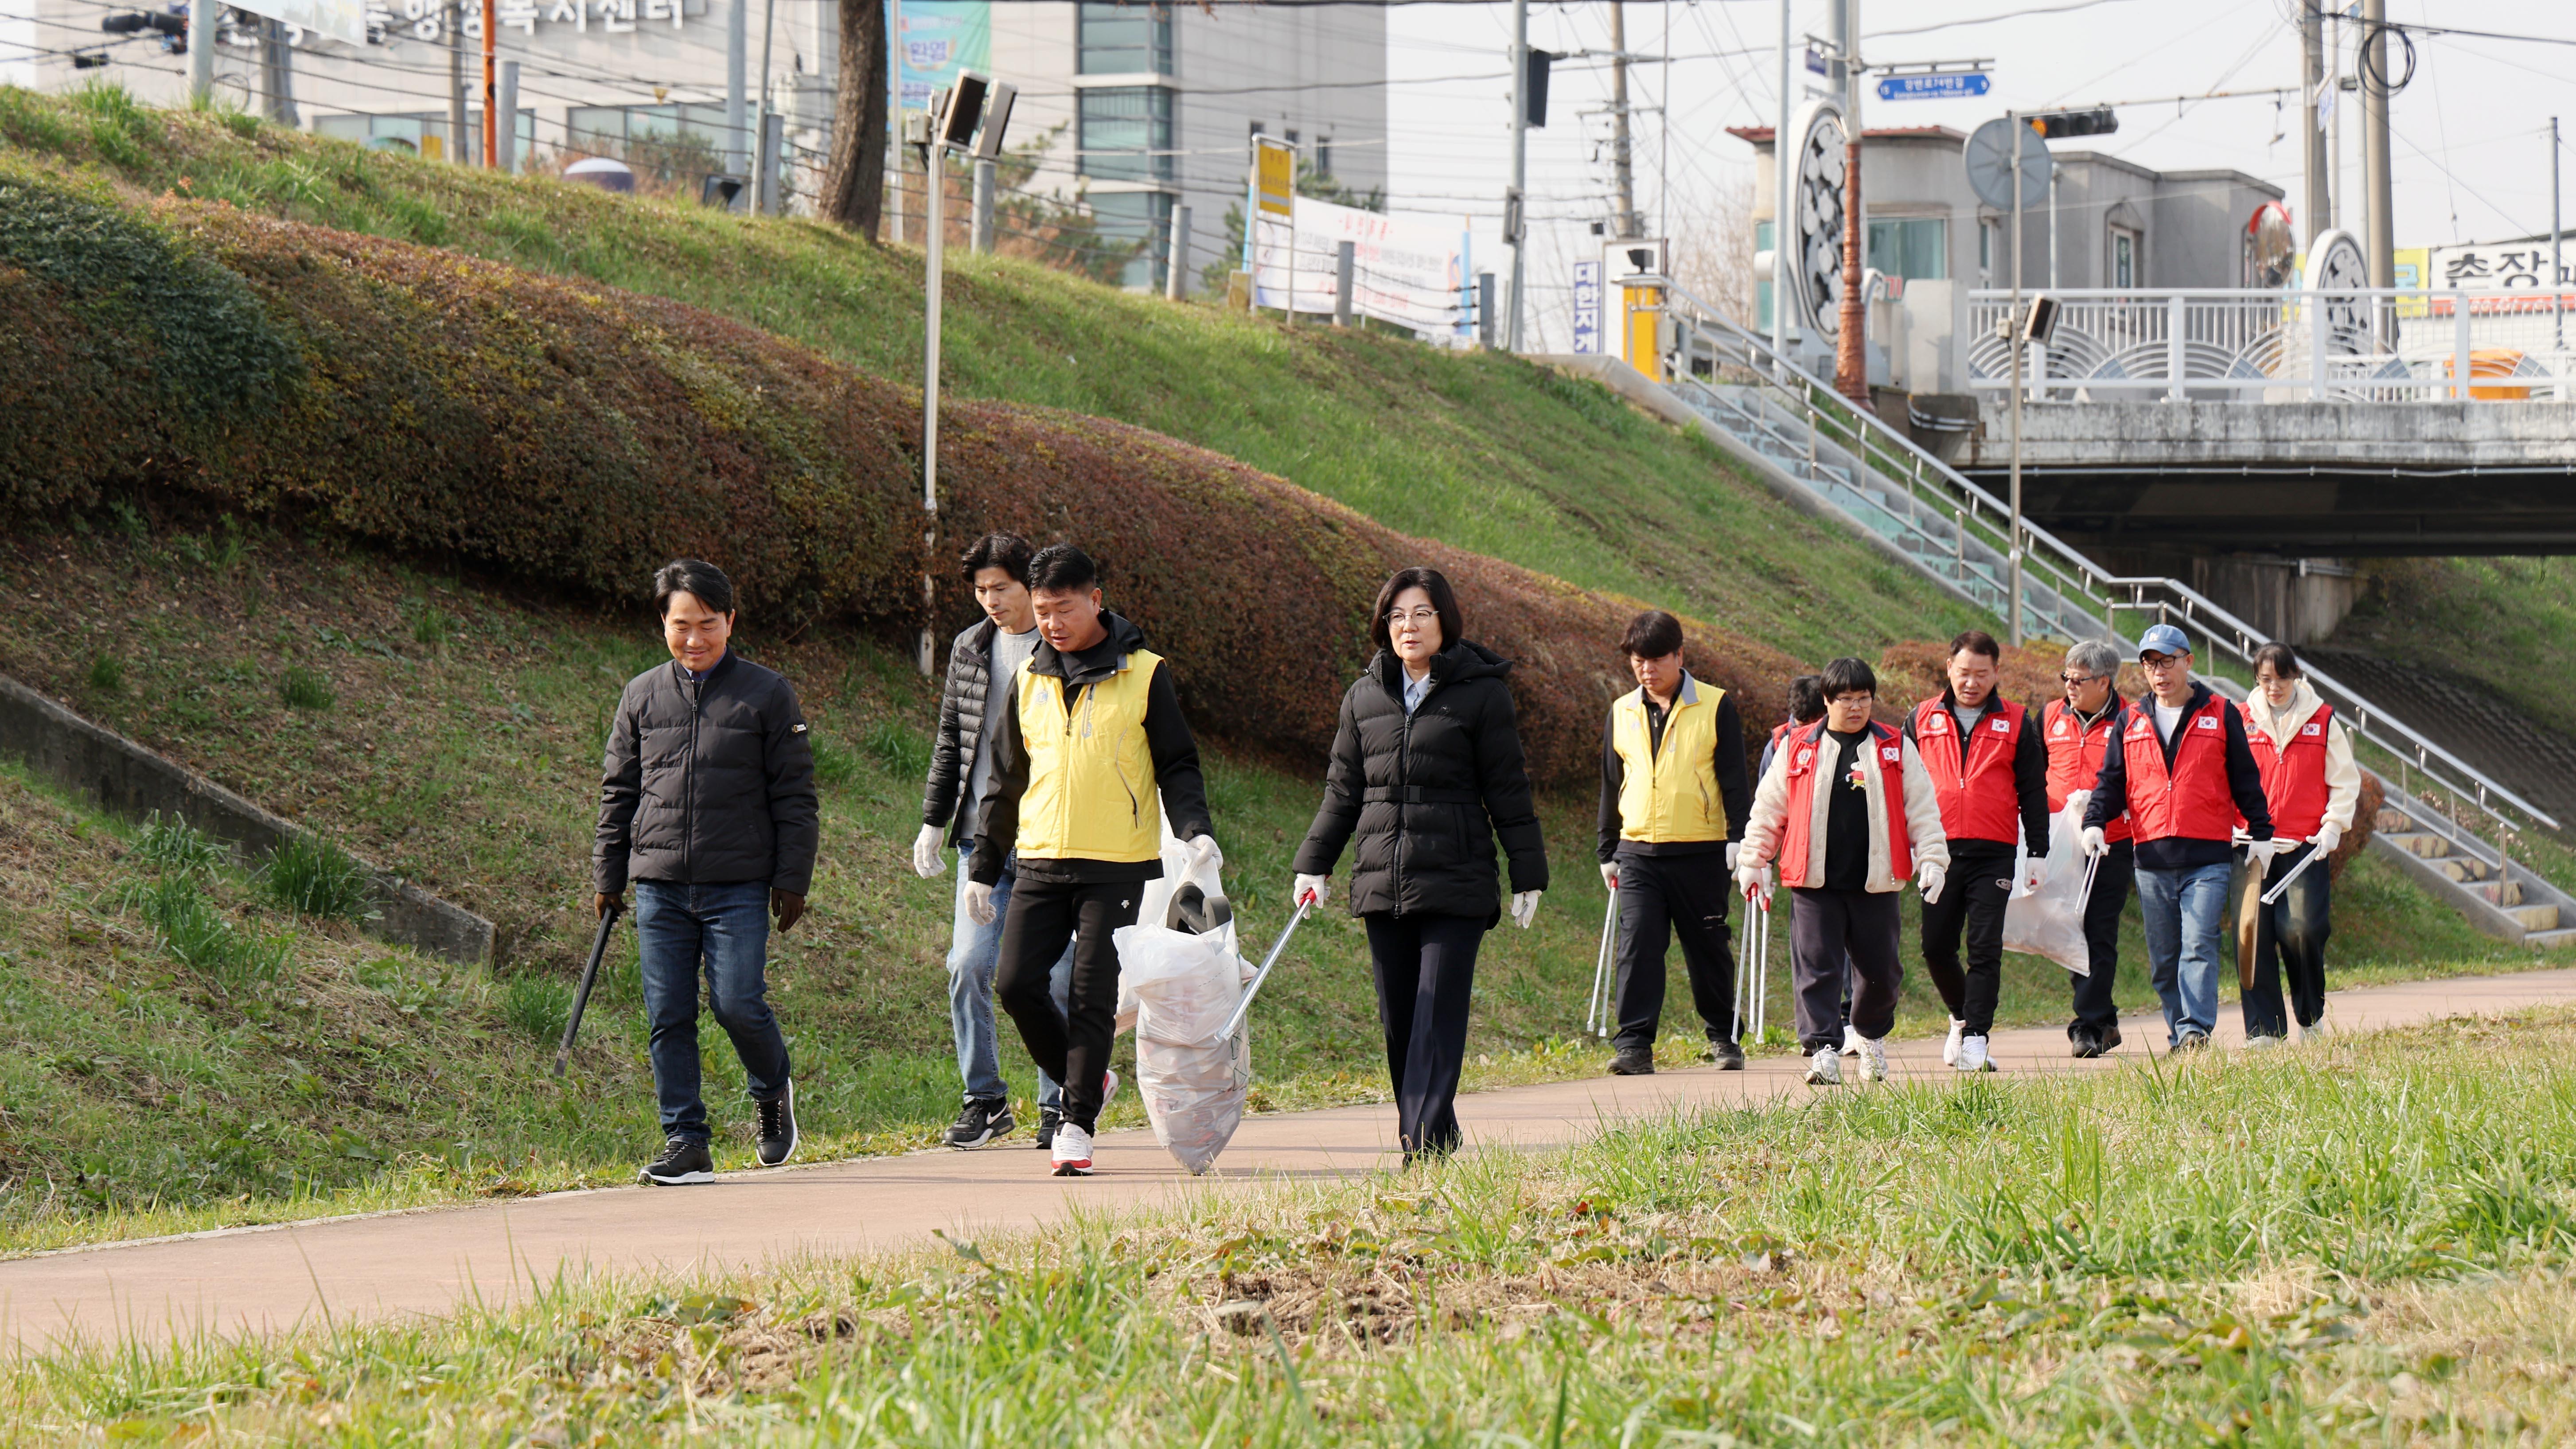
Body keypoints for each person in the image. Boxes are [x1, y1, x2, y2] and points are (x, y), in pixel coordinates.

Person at [970, 544, 1216, 1177]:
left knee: (1089, 991)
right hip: (1041, 857)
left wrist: (1194, 829)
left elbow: (1177, 762)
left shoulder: (1144, 672)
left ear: (1096, 600)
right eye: (1044, 611)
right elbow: (1004, 778)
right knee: (1015, 983)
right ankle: (1088, 1078)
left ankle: (1075, 1120)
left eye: (1064, 608)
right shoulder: (1030, 678)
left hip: (1117, 862)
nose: (1052, 622)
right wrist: (982, 865)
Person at [1292, 566, 1547, 1163]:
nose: (1409, 627)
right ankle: (1436, 1128)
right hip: (1383, 877)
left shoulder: (1483, 693)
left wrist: (1527, 870)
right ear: (1384, 625)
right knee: (1400, 1021)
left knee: (1436, 1008)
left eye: (1422, 614)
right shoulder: (1363, 697)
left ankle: (1423, 1146)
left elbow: (1508, 789)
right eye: (1397, 616)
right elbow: (1342, 791)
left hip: (1457, 876)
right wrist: (1314, 864)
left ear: (1445, 621)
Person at [594, 559, 817, 1186]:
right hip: (660, 883)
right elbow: (619, 792)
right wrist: (608, 876)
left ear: (731, 622)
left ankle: (772, 1088)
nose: (695, 639)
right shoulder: (641, 695)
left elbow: (795, 795)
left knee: (737, 1002)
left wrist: (792, 876)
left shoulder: (767, 693)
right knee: (668, 1013)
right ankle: (686, 1140)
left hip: (738, 883)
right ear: (663, 623)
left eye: (709, 625)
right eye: (681, 625)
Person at [912, 534, 1076, 1151]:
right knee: (967, 964)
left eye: (1000, 589)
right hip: (981, 842)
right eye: (980, 590)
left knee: (1052, 977)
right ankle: (984, 1098)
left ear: (1029, 587)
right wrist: (935, 819)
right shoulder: (970, 646)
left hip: (1049, 840)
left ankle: (1058, 1102)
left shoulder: (1064, 644)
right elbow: (951, 738)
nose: (990, 601)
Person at [1735, 656, 1949, 1088]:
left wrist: (1931, 858)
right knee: (1817, 969)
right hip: (1814, 882)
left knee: (1881, 973)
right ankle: (1823, 1050)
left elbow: (1922, 809)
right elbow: (1769, 808)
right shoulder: (1797, 747)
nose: (1855, 708)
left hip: (1876, 881)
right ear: (1827, 701)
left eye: (1863, 699)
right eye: (1846, 700)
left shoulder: (1893, 746)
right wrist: (1753, 860)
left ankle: (1869, 1038)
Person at [2081, 623, 2278, 1053]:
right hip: (2150, 856)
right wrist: (2094, 822)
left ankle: (2194, 1030)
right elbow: (2111, 780)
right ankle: (2179, 1033)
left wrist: (2260, 831)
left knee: (2197, 945)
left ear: (2187, 662)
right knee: (2164, 960)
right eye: (2150, 663)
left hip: (2206, 856)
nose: (2159, 671)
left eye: (2168, 661)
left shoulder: (2220, 712)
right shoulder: (2130, 720)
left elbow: (2244, 777)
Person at [1594, 610, 1753, 1075]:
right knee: (1638, 947)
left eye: (1656, 660)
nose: (1647, 670)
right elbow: (1610, 782)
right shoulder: (1621, 711)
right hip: (1638, 851)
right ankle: (1634, 1046)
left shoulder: (1715, 704)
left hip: (1701, 851)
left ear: (1679, 656)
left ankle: (1724, 1037)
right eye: (1638, 661)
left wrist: (1738, 839)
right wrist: (1607, 849)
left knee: (1708, 948)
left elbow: (1733, 779)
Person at [1906, 630, 2051, 1073]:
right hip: (1938, 851)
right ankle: (1960, 1016)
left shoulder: (2016, 721)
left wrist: (2038, 852)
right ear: (1948, 667)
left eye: (1981, 674)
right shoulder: (1920, 718)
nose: (1971, 682)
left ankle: (1976, 1039)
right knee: (1934, 947)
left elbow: (2032, 790)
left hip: (1994, 853)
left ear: (1996, 674)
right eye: (1963, 672)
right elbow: (1901, 788)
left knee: (1984, 945)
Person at [2238, 643, 2362, 1046]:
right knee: (2251, 935)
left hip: (2302, 847)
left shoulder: (2322, 720)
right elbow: (2221, 777)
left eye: (2282, 678)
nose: (2274, 687)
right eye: (2265, 679)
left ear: (2296, 676)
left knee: (2302, 930)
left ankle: (2310, 1016)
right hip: (2250, 848)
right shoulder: (2240, 720)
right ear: (2257, 679)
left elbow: (2344, 781)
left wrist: (2332, 827)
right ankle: (2264, 1031)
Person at [2042, 639, 2133, 1058]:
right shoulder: (2049, 715)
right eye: (2066, 678)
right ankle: (2103, 1018)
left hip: (2110, 843)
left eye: (2079, 680)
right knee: (2066, 925)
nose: (2070, 686)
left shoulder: (2132, 719)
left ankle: (2088, 1025)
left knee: (2098, 929)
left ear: (2105, 681)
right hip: (2061, 842)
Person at [1759, 675, 1825, 782]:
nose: (1808, 731)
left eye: (1815, 722)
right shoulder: (1779, 742)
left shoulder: (1837, 735)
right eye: (1803, 725)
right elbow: (1765, 792)